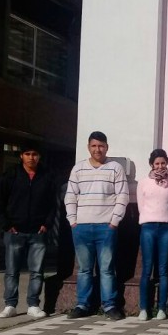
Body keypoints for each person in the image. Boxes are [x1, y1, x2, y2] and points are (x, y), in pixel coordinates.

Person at [64, 131, 129, 320]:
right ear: (88, 147)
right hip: (81, 227)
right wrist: (73, 221)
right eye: (94, 146)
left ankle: (110, 306)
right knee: (84, 269)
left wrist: (114, 222)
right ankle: (82, 305)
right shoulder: (78, 169)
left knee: (107, 269)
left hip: (106, 228)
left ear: (107, 147)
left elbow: (122, 196)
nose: (97, 149)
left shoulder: (115, 168)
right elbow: (70, 195)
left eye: (101, 146)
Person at [0, 142, 57, 319]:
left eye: (34, 154)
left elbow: (53, 204)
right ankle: (10, 304)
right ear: (21, 156)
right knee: (12, 270)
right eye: (27, 154)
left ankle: (33, 304)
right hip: (14, 231)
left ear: (39, 156)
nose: (31, 157)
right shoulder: (11, 175)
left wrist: (47, 223)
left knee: (37, 271)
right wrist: (6, 224)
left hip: (38, 231)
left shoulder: (47, 176)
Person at [136, 149, 168, 321]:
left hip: (166, 228)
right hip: (148, 227)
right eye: (157, 163)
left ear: (167, 163)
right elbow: (141, 206)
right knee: (147, 269)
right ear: (151, 164)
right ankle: (144, 309)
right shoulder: (143, 183)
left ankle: (162, 308)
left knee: (163, 269)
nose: (160, 166)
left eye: (163, 163)